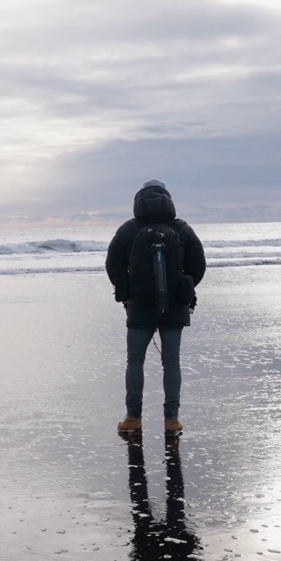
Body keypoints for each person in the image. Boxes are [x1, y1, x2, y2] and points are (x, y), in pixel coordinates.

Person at [105, 180, 206, 435]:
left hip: (139, 307)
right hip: (175, 308)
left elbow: (112, 263)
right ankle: (171, 420)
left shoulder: (129, 229)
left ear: (139, 199)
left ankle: (133, 417)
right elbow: (198, 264)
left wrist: (127, 288)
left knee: (135, 361)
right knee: (171, 362)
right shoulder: (182, 229)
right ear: (168, 198)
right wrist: (185, 286)